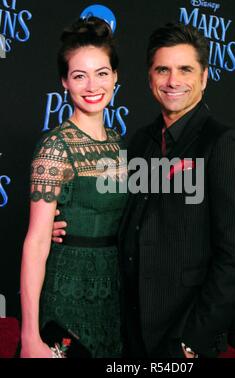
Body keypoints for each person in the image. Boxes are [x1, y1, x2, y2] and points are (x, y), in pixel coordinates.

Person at [53, 22, 235, 358]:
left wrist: (194, 339)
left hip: (184, 335)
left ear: (204, 78)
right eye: (162, 69)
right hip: (131, 329)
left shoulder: (224, 145)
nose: (173, 81)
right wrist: (65, 224)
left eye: (185, 70)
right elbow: (121, 214)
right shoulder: (141, 141)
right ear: (150, 77)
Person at [20, 17, 127, 358]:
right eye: (79, 75)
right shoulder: (55, 148)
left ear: (115, 77)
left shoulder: (120, 145)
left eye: (102, 73)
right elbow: (36, 241)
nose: (92, 85)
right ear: (65, 82)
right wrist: (29, 337)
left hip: (112, 298)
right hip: (67, 295)